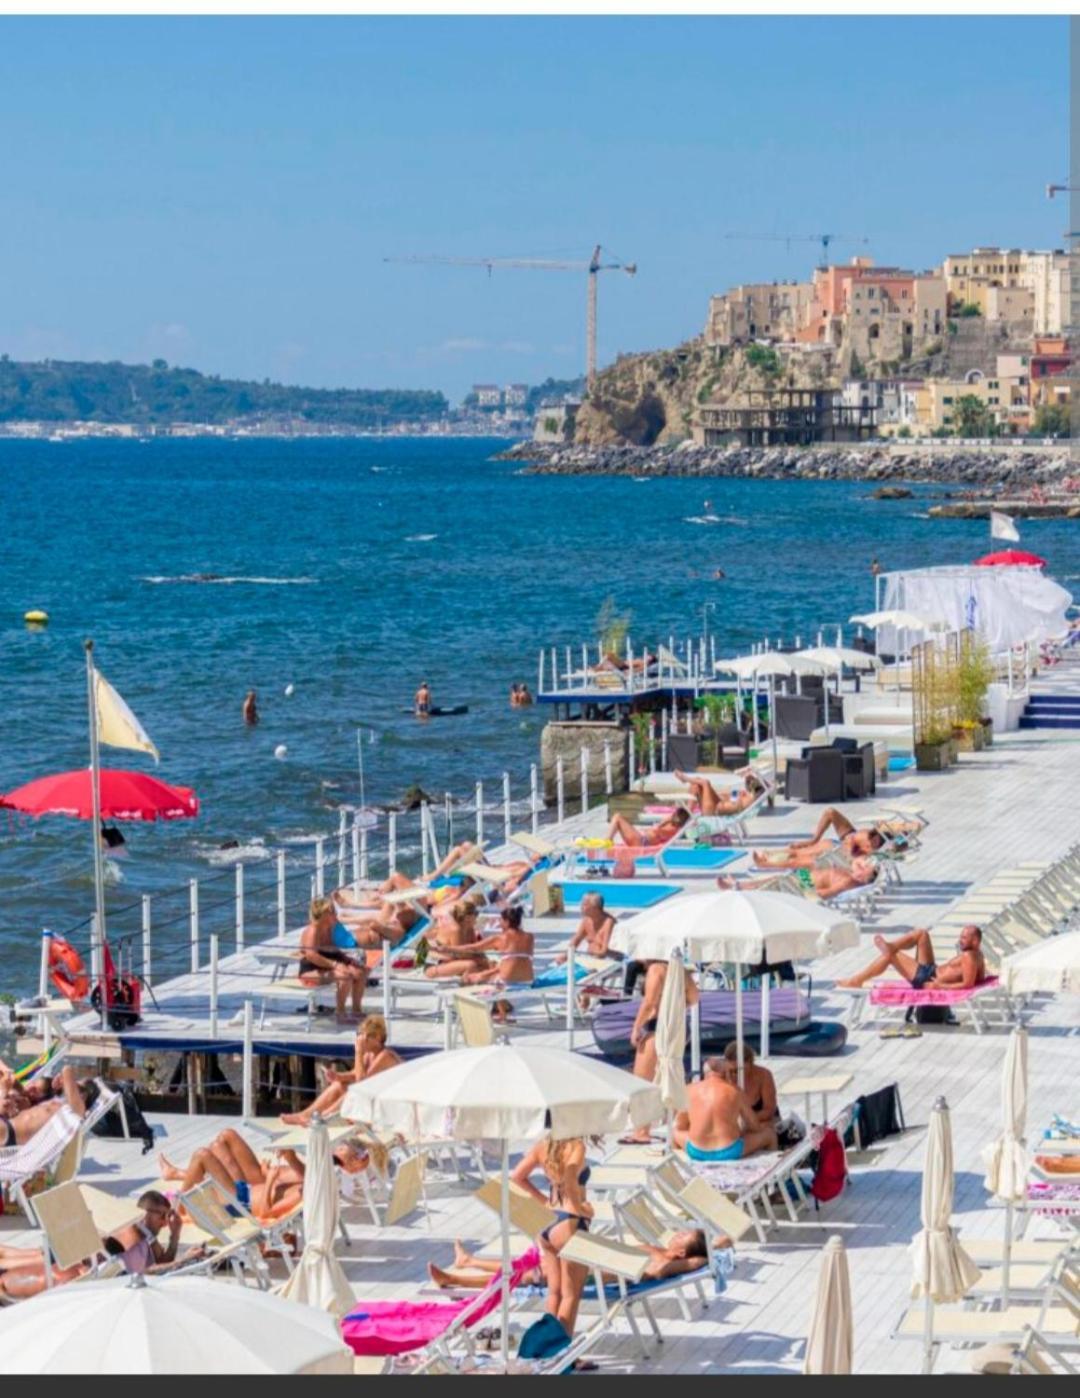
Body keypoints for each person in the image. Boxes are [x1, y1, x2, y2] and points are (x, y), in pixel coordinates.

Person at [0, 1190, 196, 1299]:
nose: (165, 1221)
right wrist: (183, 1260)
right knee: (7, 1262)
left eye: (168, 1215)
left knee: (10, 1259)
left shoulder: (149, 1240)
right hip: (69, 1257)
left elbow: (162, 1262)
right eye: (162, 1215)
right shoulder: (133, 1232)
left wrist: (175, 1235)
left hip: (72, 1260)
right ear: (146, 1214)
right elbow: (146, 1270)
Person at [428, 1227, 727, 1292]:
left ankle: (455, 1279)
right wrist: (721, 1242)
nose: (675, 1233)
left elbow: (688, 1264)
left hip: (589, 1272)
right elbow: (712, 1247)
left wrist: (707, 1255)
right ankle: (470, 1261)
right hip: (590, 1260)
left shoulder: (666, 1261)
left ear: (682, 1253)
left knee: (526, 1275)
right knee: (530, 1265)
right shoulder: (663, 1250)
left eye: (680, 1236)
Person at [512, 1136, 592, 1336]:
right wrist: (580, 1208)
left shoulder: (543, 1146)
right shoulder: (576, 1146)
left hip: (548, 1222)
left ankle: (549, 1346)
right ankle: (564, 1352)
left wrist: (544, 1202)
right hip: (569, 1221)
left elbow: (517, 1177)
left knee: (554, 1293)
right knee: (571, 1295)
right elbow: (571, 1175)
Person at [160, 1128, 307, 1223]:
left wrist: (269, 1180)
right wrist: (289, 1156)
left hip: (240, 1204)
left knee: (202, 1155)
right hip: (244, 1190)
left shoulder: (302, 1195)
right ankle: (179, 1182)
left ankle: (179, 1206)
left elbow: (265, 1213)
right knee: (218, 1144)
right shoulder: (306, 1185)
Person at [279, 1015, 401, 1126]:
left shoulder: (385, 1056)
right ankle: (305, 1115)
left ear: (378, 1038)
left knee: (354, 1092)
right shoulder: (370, 1053)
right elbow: (355, 1074)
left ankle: (322, 1117)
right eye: (361, 1034)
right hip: (373, 1100)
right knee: (339, 1085)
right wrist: (337, 1076)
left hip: (389, 1106)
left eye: (366, 1036)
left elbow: (362, 1083)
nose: (362, 1039)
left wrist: (358, 1052)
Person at [625, 960, 699, 1141]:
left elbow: (649, 1002)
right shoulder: (679, 970)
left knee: (641, 1081)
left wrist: (636, 1027)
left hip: (657, 1026)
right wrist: (673, 1007)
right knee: (668, 1073)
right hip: (677, 1026)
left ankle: (641, 1132)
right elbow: (695, 998)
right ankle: (675, 1124)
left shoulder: (656, 969)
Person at [673, 1057, 777, 1161]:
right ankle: (772, 1166)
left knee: (674, 1133)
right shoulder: (735, 1091)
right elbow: (754, 1126)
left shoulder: (689, 1090)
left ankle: (678, 1168)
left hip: (696, 1151)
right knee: (770, 1135)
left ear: (704, 1074)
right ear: (725, 1073)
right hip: (730, 1150)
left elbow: (680, 1125)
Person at [837, 924, 986, 991]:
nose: (960, 940)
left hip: (927, 979)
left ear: (975, 941)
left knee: (891, 956)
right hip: (932, 970)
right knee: (922, 934)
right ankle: (891, 945)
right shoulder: (977, 955)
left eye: (964, 938)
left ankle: (856, 980)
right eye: (961, 936)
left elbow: (968, 985)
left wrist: (940, 986)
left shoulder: (969, 957)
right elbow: (978, 978)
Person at [297, 896, 368, 1020]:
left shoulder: (329, 928)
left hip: (326, 965)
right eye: (331, 911)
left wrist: (348, 961)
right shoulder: (313, 930)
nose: (335, 913)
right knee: (344, 976)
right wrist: (335, 965)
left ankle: (356, 1009)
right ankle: (340, 1012)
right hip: (310, 970)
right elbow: (311, 955)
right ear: (323, 914)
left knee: (360, 972)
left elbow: (333, 950)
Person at [751, 807, 885, 868]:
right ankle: (812, 841)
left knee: (798, 854)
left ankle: (767, 861)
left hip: (840, 852)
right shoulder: (868, 834)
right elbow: (852, 841)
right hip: (845, 843)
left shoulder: (874, 848)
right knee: (830, 812)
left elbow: (854, 858)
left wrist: (852, 849)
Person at [460, 907, 534, 1017]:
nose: (499, 923)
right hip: (528, 981)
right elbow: (515, 962)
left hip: (507, 984)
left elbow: (473, 948)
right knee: (492, 968)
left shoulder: (501, 938)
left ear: (507, 922)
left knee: (470, 978)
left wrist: (447, 949)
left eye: (501, 920)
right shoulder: (529, 937)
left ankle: (494, 1012)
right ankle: (501, 1008)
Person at [0, 1065, 98, 1147]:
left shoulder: (77, 1112)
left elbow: (67, 1069)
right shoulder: (60, 1106)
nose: (71, 1084)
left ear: (83, 1095)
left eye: (76, 1083)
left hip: (11, 1132)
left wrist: (63, 1077)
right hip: (8, 1126)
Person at [718, 857, 877, 902]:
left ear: (864, 881)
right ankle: (738, 885)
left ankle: (738, 888)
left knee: (777, 881)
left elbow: (824, 894)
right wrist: (861, 865)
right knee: (779, 877)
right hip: (804, 879)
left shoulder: (848, 882)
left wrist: (804, 891)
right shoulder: (851, 874)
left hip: (805, 887)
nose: (860, 869)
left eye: (864, 872)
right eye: (863, 867)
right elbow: (857, 859)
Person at [424, 896, 491, 980]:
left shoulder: (469, 927)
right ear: (467, 918)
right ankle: (464, 985)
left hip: (453, 962)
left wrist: (483, 958)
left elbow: (476, 947)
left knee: (485, 965)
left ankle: (473, 981)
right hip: (436, 965)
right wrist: (480, 959)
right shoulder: (456, 929)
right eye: (475, 914)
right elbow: (461, 955)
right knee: (471, 965)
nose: (477, 916)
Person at [674, 769, 765, 819]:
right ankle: (688, 812)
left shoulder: (750, 800)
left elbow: (733, 805)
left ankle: (685, 779)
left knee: (705, 782)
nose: (747, 781)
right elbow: (728, 798)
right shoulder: (746, 795)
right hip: (716, 804)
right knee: (696, 785)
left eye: (749, 780)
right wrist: (734, 794)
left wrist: (736, 796)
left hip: (713, 810)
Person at [721, 1042, 777, 1122]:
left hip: (762, 1121)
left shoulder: (763, 1075)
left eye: (738, 1070)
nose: (734, 1074)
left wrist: (748, 1121)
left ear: (750, 1062)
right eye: (731, 1070)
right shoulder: (723, 1076)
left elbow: (769, 1109)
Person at [555, 893, 617, 964]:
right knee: (561, 962)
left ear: (595, 907)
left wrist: (585, 957)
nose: (581, 907)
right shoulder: (587, 920)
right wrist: (566, 955)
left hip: (608, 960)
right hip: (592, 958)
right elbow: (577, 939)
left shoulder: (608, 922)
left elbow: (604, 951)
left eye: (585, 905)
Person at [606, 806, 691, 849]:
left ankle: (607, 842)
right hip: (640, 839)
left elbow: (656, 830)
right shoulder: (672, 826)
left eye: (675, 814)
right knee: (618, 819)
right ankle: (607, 841)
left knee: (617, 817)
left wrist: (666, 821)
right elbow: (657, 829)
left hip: (641, 842)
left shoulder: (673, 829)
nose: (673, 814)